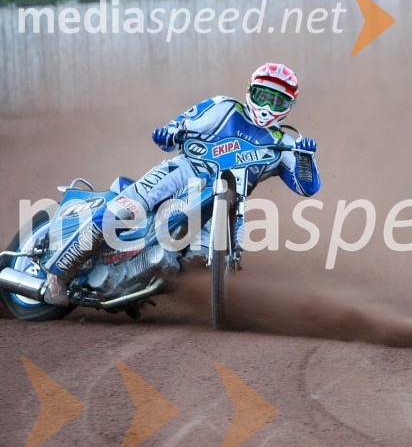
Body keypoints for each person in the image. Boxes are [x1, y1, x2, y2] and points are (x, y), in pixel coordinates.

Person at [42, 62, 320, 306]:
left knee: (209, 256)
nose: (268, 106)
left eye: (278, 101)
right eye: (264, 96)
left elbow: (307, 187)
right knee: (126, 209)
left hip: (225, 202)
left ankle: (169, 272)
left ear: (289, 106)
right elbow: (184, 123)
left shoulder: (285, 144)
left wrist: (305, 158)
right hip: (185, 170)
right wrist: (171, 131)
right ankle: (58, 275)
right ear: (250, 91)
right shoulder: (224, 107)